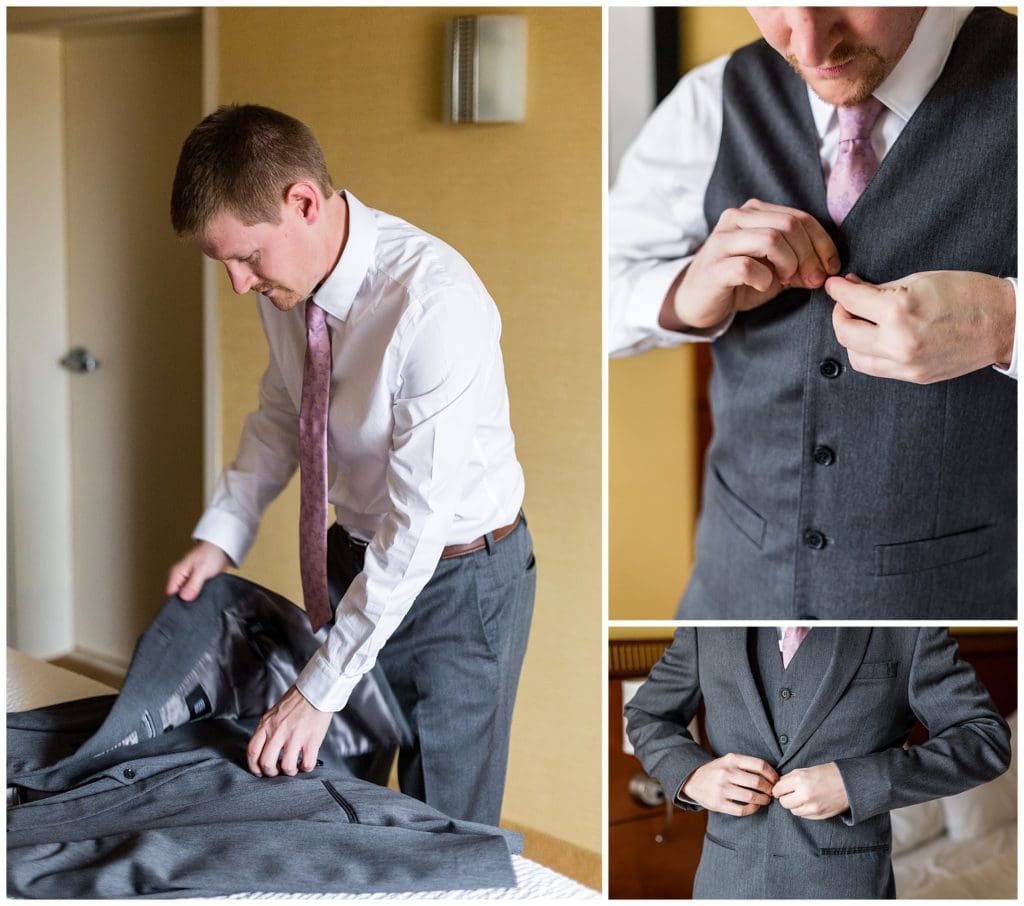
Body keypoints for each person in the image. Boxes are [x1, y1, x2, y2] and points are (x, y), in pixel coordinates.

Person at [165, 104, 536, 827]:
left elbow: (416, 526)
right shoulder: (286, 288)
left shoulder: (434, 305)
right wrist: (223, 530)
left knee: (441, 827)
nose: (239, 285)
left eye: (246, 258)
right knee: (321, 797)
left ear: (302, 202)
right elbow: (283, 413)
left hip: (459, 582)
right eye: (225, 264)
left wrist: (319, 687)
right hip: (351, 560)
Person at [609, 7, 1017, 618]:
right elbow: (594, 291)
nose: (807, 45)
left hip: (964, 621)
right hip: (732, 600)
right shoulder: (708, 103)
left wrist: (1005, 324)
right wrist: (685, 292)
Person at [625, 627, 1011, 898]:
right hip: (725, 885)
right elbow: (647, 714)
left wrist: (856, 783)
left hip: (847, 888)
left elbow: (985, 739)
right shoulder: (707, 619)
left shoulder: (907, 625)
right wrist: (692, 775)